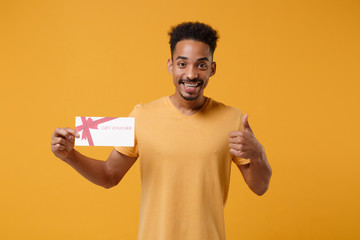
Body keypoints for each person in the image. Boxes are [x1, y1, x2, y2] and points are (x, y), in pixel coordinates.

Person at [51, 22, 272, 240]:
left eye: (201, 65)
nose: (191, 74)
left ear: (212, 69)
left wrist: (258, 153)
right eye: (182, 64)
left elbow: (260, 187)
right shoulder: (141, 115)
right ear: (170, 66)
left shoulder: (232, 119)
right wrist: (70, 155)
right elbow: (110, 175)